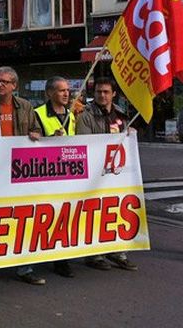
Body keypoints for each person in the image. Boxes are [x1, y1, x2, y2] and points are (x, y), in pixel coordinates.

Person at [0, 66, 45, 286]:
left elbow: (37, 130)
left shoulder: (25, 107)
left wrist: (36, 134)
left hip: (19, 171)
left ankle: (25, 266)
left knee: (22, 217)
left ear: (14, 85)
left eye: (4, 82)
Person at [76, 77, 137, 272]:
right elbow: (83, 142)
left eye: (106, 92)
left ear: (113, 94)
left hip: (115, 174)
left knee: (116, 211)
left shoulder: (120, 114)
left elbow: (123, 137)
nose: (102, 95)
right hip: (94, 173)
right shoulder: (85, 114)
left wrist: (129, 133)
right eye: (99, 92)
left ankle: (117, 251)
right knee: (94, 212)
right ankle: (94, 254)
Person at [34, 76, 76, 278]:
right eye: (61, 90)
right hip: (45, 174)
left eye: (67, 90)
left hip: (66, 173)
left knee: (64, 216)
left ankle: (62, 259)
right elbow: (31, 143)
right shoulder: (38, 114)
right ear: (50, 93)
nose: (66, 93)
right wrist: (49, 140)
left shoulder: (71, 115)